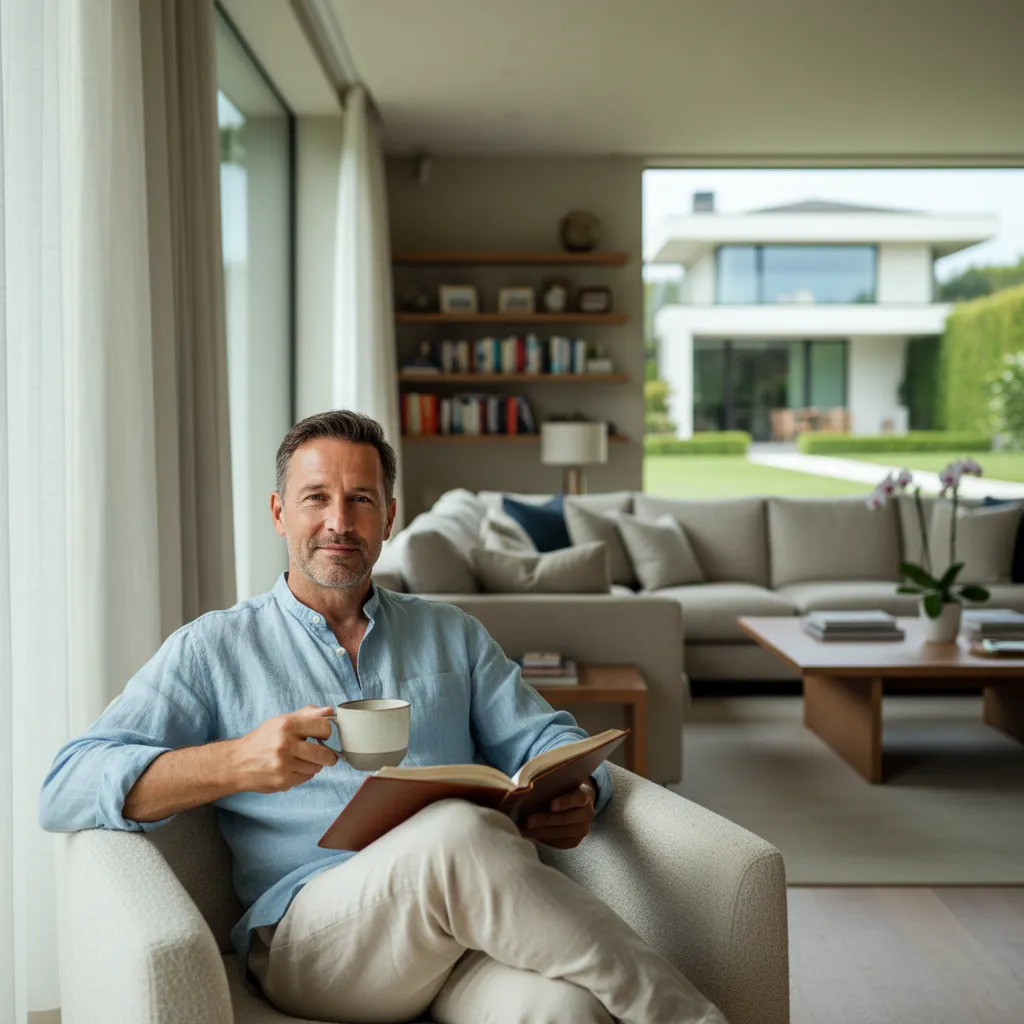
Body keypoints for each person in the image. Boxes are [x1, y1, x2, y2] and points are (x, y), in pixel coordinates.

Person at [39, 410, 726, 1024]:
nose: (339, 521)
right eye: (316, 498)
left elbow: (546, 735)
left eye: (360, 499)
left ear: (389, 518)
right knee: (460, 831)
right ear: (279, 513)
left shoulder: (450, 632)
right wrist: (235, 762)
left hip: (457, 934)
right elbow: (66, 785)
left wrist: (582, 791)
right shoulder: (212, 648)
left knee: (562, 1011)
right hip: (313, 942)